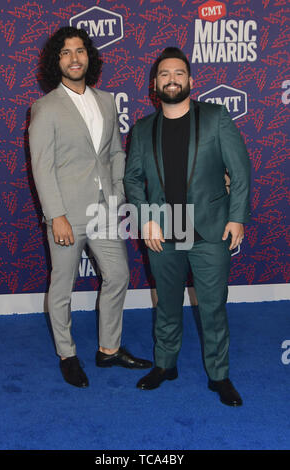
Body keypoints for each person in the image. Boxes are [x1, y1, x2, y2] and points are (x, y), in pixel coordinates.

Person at [124, 47, 250, 406]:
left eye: (179, 73)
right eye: (164, 74)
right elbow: (132, 179)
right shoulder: (143, 129)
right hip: (163, 230)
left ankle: (219, 375)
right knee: (166, 304)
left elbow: (240, 172)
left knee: (212, 307)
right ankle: (165, 365)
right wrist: (145, 217)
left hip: (210, 231)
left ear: (191, 81)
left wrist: (237, 216)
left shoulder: (215, 117)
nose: (172, 79)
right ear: (154, 85)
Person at [29, 26, 152, 388]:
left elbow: (115, 153)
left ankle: (108, 349)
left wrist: (117, 199)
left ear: (89, 57)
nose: (74, 58)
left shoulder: (106, 101)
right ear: (57, 61)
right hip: (66, 214)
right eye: (65, 52)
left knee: (119, 275)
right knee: (62, 286)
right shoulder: (45, 107)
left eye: (79, 51)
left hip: (104, 211)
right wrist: (57, 216)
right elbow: (42, 166)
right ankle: (67, 355)